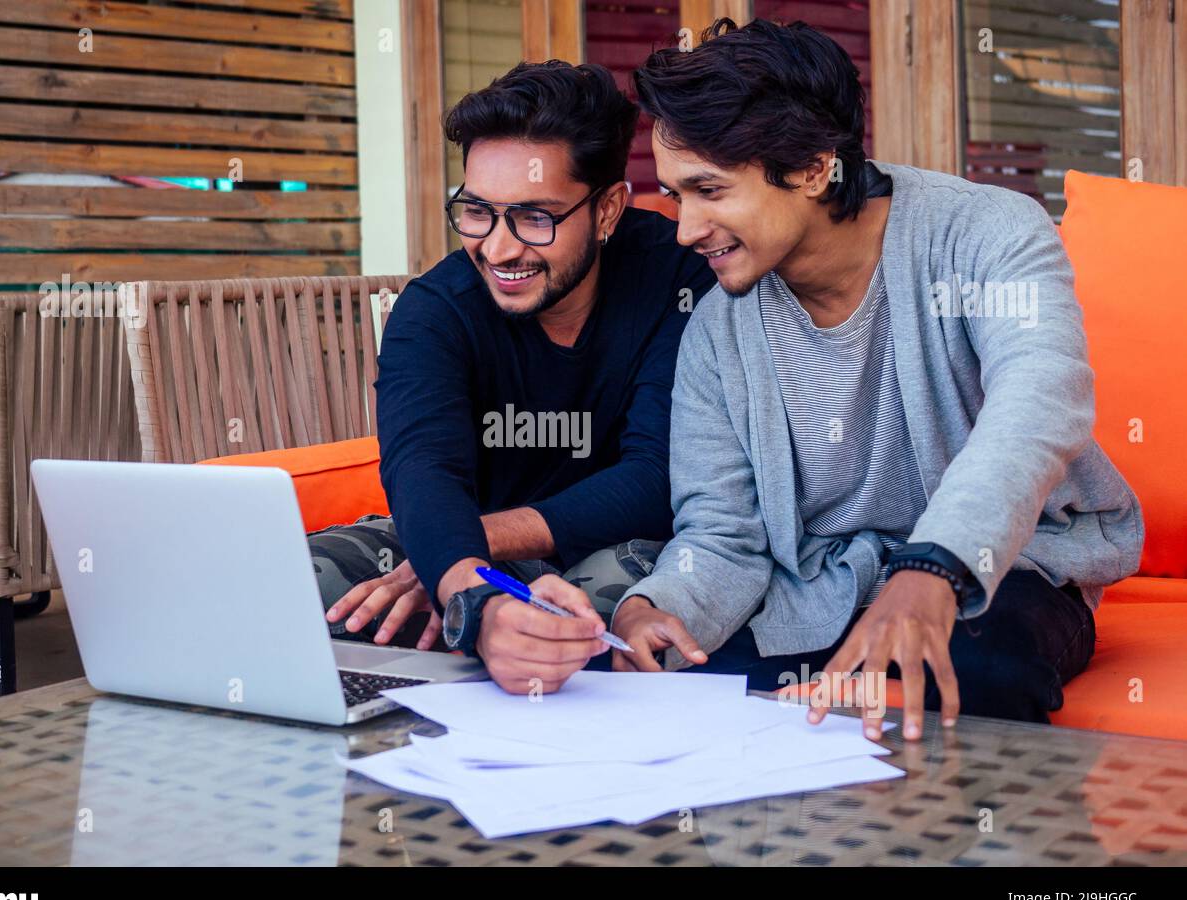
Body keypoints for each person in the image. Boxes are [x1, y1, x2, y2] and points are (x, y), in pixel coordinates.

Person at [609, 19, 1145, 739]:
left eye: (709, 191)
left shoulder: (989, 234)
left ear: (808, 168)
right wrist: (656, 605)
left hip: (1009, 570)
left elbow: (1038, 400)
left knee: (976, 669)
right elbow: (723, 535)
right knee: (676, 672)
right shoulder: (715, 329)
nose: (685, 228)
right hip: (825, 585)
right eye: (677, 196)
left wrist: (935, 566)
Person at [307, 61, 715, 693]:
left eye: (534, 217)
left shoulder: (678, 279)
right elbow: (422, 472)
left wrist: (458, 548)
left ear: (607, 210)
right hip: (466, 544)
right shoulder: (435, 309)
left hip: (621, 543)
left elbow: (659, 475)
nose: (497, 249)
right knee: (290, 584)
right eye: (476, 212)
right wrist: (468, 585)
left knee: (576, 617)